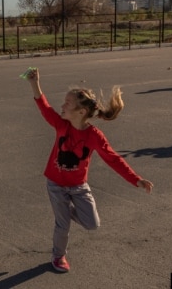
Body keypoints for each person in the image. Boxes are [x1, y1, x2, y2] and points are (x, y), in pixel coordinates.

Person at [25, 68, 153, 273]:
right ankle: (58, 256)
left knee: (92, 224)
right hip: (56, 184)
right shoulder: (61, 125)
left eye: (67, 103)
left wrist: (136, 179)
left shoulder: (94, 136)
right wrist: (34, 83)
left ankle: (66, 212)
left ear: (81, 112)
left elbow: (113, 159)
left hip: (78, 186)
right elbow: (45, 107)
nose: (62, 106)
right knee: (62, 225)